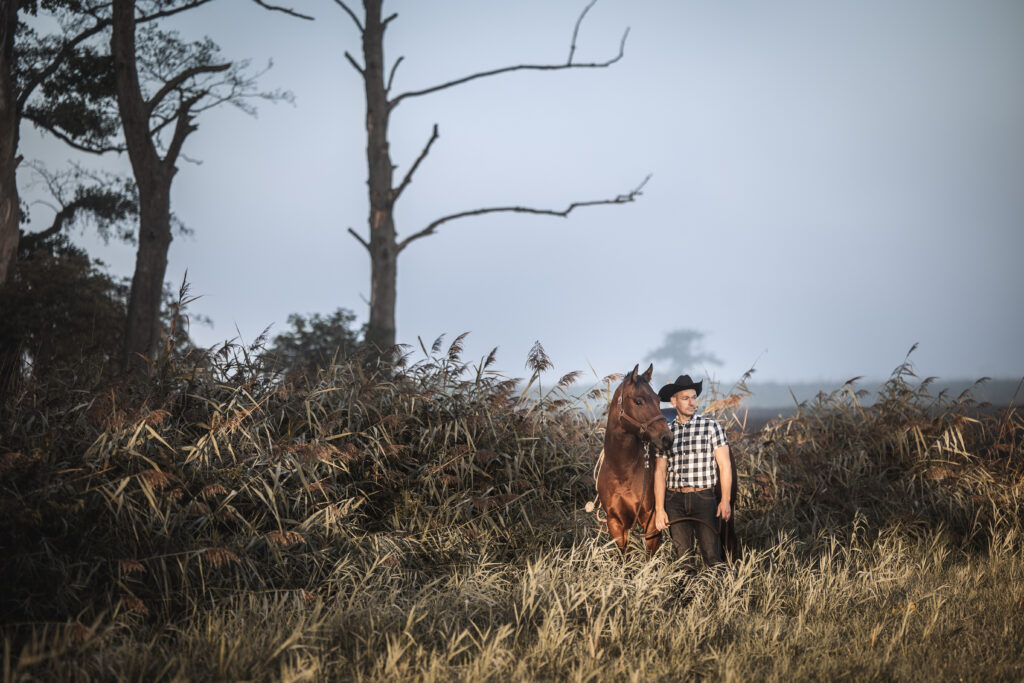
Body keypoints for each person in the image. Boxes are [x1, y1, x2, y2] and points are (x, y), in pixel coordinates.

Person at [653, 374, 732, 573]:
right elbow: (660, 472)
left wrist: (725, 501)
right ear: (674, 401)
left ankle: (722, 600)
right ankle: (686, 602)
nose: (692, 402)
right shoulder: (667, 433)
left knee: (712, 556)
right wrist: (660, 509)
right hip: (675, 500)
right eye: (686, 398)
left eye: (694, 397)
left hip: (704, 498)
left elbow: (725, 466)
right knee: (683, 560)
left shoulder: (711, 427)